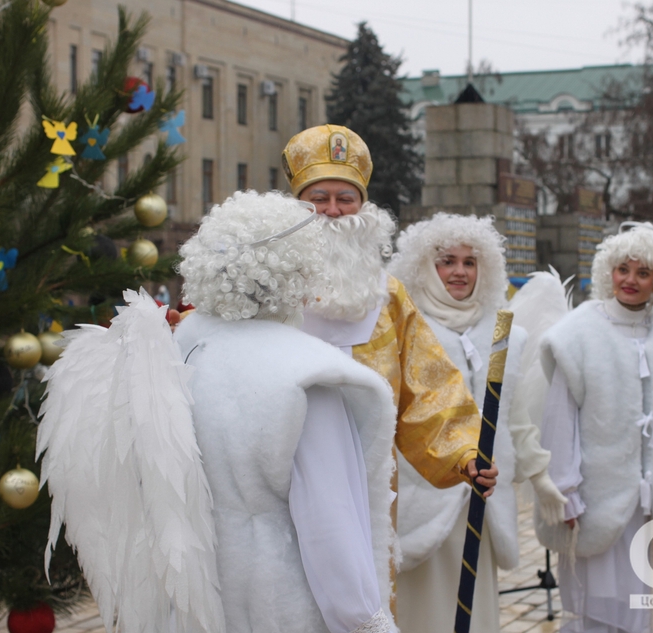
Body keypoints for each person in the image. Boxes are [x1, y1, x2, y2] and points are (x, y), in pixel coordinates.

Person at [39, 191, 397, 633]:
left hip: (193, 594)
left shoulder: (178, 348)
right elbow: (331, 529)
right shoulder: (308, 376)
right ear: (299, 274)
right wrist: (369, 623)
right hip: (279, 601)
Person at [281, 124, 497, 501]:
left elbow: (427, 385)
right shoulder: (270, 284)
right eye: (319, 197)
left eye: (346, 198)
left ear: (364, 207)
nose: (333, 211)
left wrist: (463, 454)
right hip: (285, 468)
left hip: (369, 479)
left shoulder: (388, 295)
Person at [387, 214, 568, 633]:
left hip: (482, 499)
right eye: (447, 260)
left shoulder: (503, 332)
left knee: (474, 615)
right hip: (422, 497)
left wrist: (539, 477)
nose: (459, 272)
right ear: (423, 266)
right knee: (422, 612)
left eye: (470, 262)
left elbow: (513, 417)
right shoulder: (404, 327)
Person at [535, 222, 653, 633]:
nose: (630, 280)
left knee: (646, 594)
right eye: (623, 269)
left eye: (643, 273)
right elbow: (561, 418)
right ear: (608, 271)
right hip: (597, 493)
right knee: (600, 597)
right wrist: (565, 489)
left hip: (652, 499)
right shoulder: (577, 334)